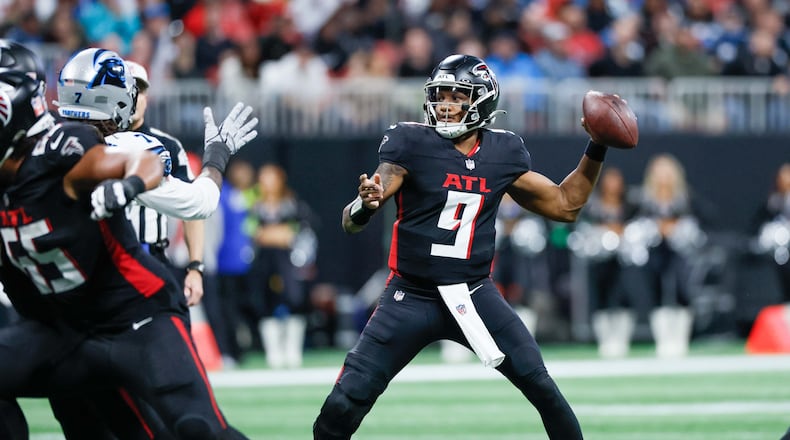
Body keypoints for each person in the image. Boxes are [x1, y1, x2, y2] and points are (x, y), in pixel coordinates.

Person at [313, 53, 626, 440]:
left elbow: (565, 206)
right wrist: (366, 204)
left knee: (543, 389)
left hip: (475, 293)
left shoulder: (503, 152)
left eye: (457, 96)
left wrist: (597, 146)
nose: (445, 105)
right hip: (410, 296)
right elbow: (351, 220)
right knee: (344, 403)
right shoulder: (410, 142)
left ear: (482, 101)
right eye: (440, 95)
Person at [0, 48, 253, 439]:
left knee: (194, 429)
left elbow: (173, 186)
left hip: (136, 314)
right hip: (65, 326)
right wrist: (216, 157)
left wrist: (131, 185)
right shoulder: (43, 152)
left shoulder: (80, 148)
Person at [250, 163, 317, 369]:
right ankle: (273, 351)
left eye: (271, 178)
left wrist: (284, 236)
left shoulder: (292, 204)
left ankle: (292, 350)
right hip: (263, 260)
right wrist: (270, 235)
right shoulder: (254, 205)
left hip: (288, 260)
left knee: (294, 298)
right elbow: (250, 231)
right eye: (263, 178)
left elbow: (303, 231)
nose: (266, 183)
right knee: (264, 301)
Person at [571, 166, 640, 358]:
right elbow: (583, 230)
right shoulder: (592, 206)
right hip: (599, 260)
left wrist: (622, 231)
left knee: (623, 296)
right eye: (609, 181)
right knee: (600, 296)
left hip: (623, 260)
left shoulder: (631, 206)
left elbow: (638, 226)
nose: (613, 185)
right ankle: (605, 339)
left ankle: (622, 339)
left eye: (616, 181)